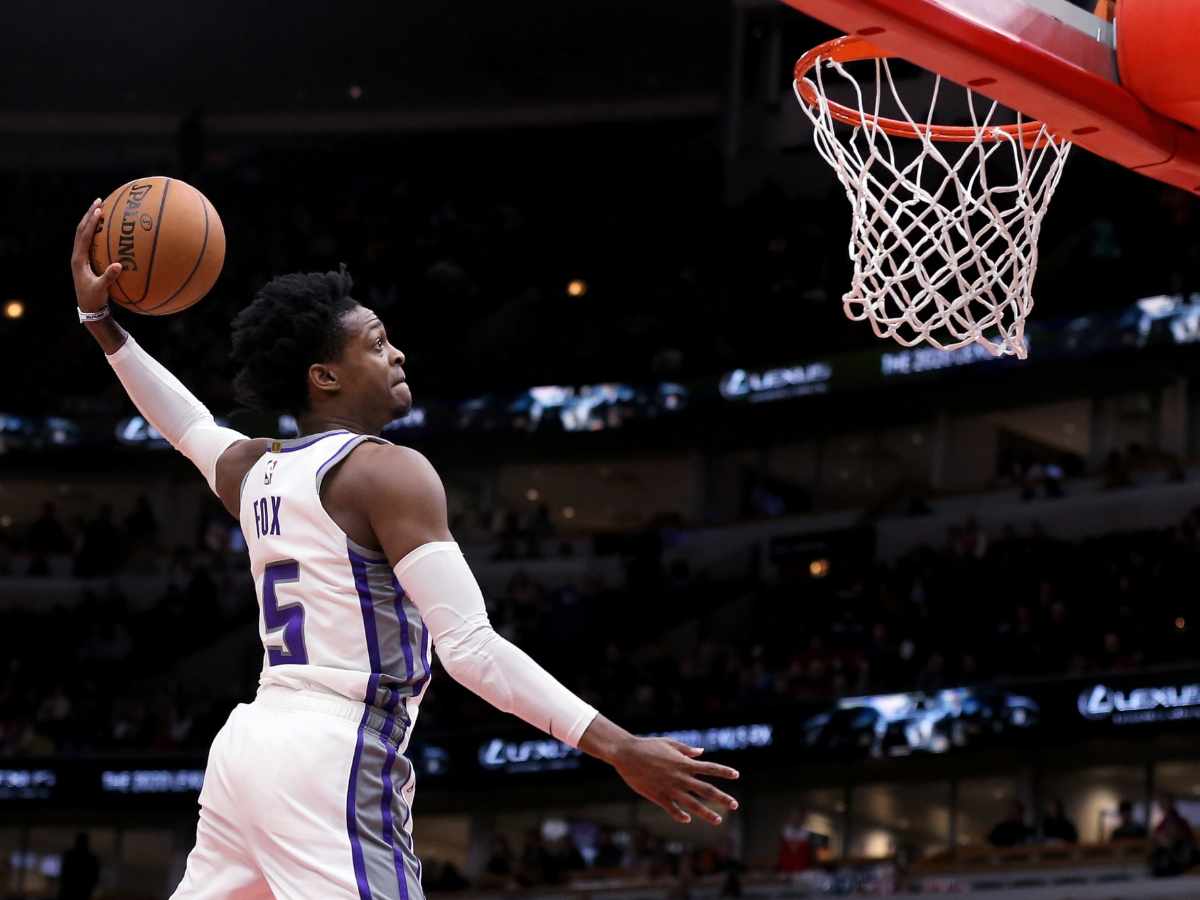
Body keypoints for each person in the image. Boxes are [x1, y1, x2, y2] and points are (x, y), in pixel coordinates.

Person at [71, 200, 739, 900]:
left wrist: (101, 325)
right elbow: (471, 648)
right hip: (332, 752)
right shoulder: (386, 470)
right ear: (323, 376)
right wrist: (617, 746)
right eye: (377, 342)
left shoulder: (256, 468)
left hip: (249, 747)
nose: (397, 353)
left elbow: (184, 424)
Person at [58, 832, 100, 900]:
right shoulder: (92, 858)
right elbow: (95, 878)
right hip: (83, 892)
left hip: (68, 891)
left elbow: (63, 874)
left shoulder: (69, 855)